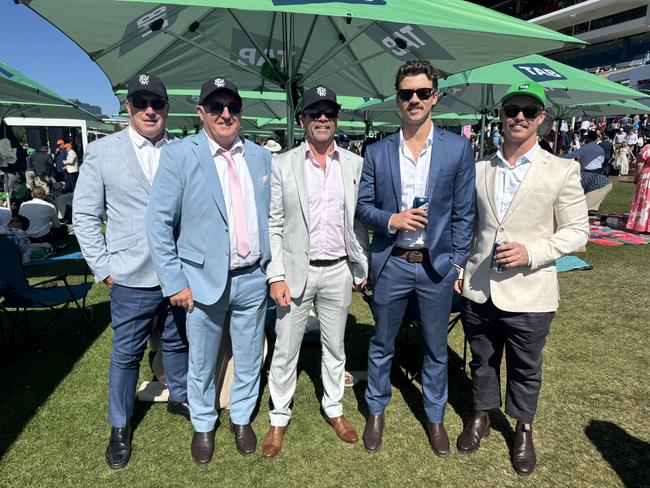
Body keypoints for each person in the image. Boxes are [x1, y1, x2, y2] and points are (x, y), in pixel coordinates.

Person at [457, 81, 588, 476]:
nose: (519, 117)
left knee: (526, 366)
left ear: (541, 120)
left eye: (528, 112)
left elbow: (578, 232)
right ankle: (481, 414)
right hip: (479, 288)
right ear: (501, 115)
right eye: (512, 109)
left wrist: (532, 252)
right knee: (482, 360)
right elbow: (469, 228)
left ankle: (523, 427)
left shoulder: (562, 169)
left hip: (531, 293)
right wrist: (460, 270)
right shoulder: (479, 169)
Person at [146, 76, 272, 465]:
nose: (225, 113)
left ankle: (241, 417)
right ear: (201, 112)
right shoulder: (181, 155)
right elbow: (159, 224)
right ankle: (203, 424)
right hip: (200, 282)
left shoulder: (261, 156)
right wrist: (174, 282)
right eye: (216, 106)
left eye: (232, 106)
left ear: (240, 112)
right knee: (201, 360)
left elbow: (272, 217)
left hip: (253, 276)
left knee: (250, 356)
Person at [356, 59, 476, 456]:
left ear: (434, 98)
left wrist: (456, 261)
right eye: (406, 93)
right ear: (397, 99)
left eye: (422, 93)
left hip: (435, 266)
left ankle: (435, 416)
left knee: (436, 348)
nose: (414, 100)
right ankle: (376, 411)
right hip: (391, 262)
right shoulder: (377, 151)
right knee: (381, 343)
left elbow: (463, 214)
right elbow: (363, 207)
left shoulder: (458, 149)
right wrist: (391, 218)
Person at [73, 73, 189, 470]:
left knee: (176, 341)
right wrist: (104, 269)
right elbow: (85, 216)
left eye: (156, 102)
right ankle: (120, 426)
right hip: (128, 276)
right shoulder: (103, 152)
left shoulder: (183, 151)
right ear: (128, 107)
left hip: (177, 274)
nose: (150, 110)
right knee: (126, 354)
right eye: (141, 102)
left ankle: (180, 396)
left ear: (167, 108)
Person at [262, 85, 369, 458]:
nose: (322, 118)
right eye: (314, 112)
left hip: (338, 269)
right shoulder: (283, 164)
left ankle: (335, 409)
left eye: (329, 112)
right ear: (302, 119)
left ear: (337, 119)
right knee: (285, 348)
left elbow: (358, 222)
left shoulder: (354, 164)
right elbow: (274, 224)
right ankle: (278, 417)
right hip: (295, 271)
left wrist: (361, 264)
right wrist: (275, 275)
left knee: (335, 346)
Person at [626, 143, 650, 233]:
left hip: (647, 176)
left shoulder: (647, 148)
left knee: (644, 201)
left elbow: (639, 165)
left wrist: (636, 178)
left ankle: (641, 225)